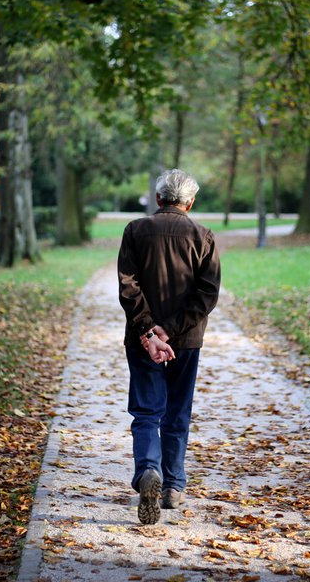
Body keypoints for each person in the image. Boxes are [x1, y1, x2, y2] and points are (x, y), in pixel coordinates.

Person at [117, 169, 221, 525]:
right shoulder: (203, 236)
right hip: (186, 340)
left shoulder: (135, 230)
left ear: (159, 199)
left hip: (142, 340)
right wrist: (171, 330)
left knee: (147, 412)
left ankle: (149, 469)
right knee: (177, 411)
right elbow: (207, 294)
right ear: (189, 203)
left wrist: (149, 332)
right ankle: (172, 487)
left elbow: (127, 286)